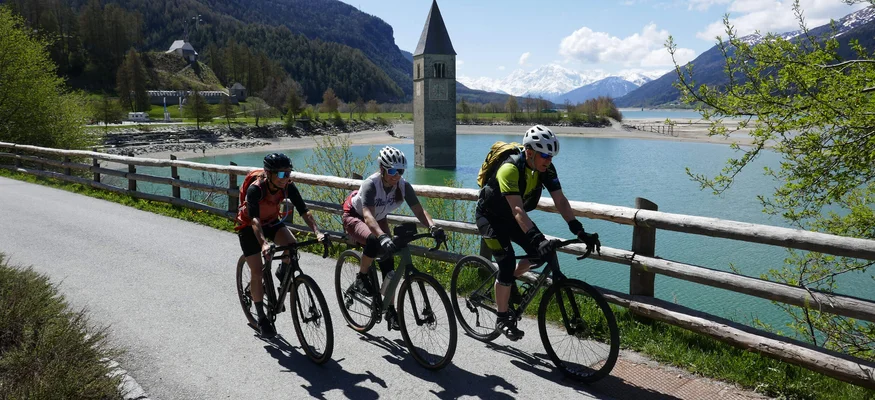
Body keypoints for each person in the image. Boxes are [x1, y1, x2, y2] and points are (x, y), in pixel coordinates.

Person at [476, 125, 600, 341]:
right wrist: (538, 238)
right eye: (544, 155)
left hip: (513, 218)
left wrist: (579, 230)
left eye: (551, 156)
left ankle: (508, 282)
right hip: (490, 218)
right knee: (506, 263)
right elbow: (517, 209)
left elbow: (560, 200)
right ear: (530, 152)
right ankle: (502, 318)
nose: (549, 160)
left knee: (539, 255)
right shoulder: (509, 169)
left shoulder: (546, 169)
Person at [341, 146, 446, 331]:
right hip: (355, 216)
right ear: (382, 169)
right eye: (391, 171)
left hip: (379, 218)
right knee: (374, 241)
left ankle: (390, 310)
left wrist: (433, 227)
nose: (396, 175)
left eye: (400, 171)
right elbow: (368, 216)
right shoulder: (371, 184)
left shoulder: (403, 186)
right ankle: (361, 277)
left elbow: (419, 211)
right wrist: (382, 236)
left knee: (389, 266)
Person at [236, 153, 325, 338]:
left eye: (289, 173)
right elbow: (254, 220)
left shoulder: (288, 186)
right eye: (282, 174)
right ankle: (261, 318)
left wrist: (318, 232)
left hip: (271, 221)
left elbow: (304, 210)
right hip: (250, 227)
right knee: (257, 271)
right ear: (268, 173)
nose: (286, 178)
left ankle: (283, 272)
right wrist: (263, 244)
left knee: (292, 244)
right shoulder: (255, 189)